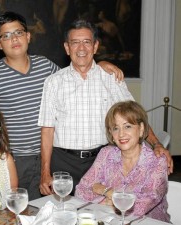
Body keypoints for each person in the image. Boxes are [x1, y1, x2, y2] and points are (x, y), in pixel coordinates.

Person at [0, 11, 125, 201]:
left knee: (43, 207)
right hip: (13, 157)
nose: (14, 39)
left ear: (28, 36)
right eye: (6, 35)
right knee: (13, 206)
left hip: (49, 156)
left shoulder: (45, 66)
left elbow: (76, 74)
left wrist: (101, 63)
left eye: (18, 32)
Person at [38, 19, 173, 196]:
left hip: (102, 162)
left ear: (95, 47)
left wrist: (156, 144)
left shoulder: (111, 78)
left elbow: (135, 118)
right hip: (64, 164)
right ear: (67, 47)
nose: (81, 48)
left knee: (103, 216)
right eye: (75, 42)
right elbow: (47, 130)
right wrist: (45, 172)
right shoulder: (53, 82)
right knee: (63, 216)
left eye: (87, 42)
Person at [75, 101, 170, 222]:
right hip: (111, 220)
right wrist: (108, 192)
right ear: (111, 133)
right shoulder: (106, 154)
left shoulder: (157, 162)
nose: (121, 134)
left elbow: (143, 205)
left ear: (141, 129)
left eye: (127, 126)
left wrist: (106, 195)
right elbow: (81, 190)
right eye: (116, 128)